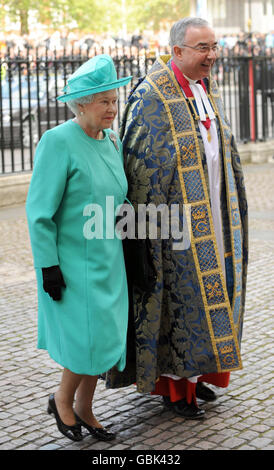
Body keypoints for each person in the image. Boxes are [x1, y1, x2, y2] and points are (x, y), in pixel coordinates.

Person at [106, 18, 248, 419]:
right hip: (173, 227)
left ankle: (199, 374)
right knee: (179, 304)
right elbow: (140, 168)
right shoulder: (151, 95)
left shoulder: (205, 86)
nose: (212, 56)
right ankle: (174, 389)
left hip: (215, 214)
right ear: (177, 52)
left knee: (215, 290)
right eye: (203, 48)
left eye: (214, 46)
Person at [26, 55, 132, 441]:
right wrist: (47, 267)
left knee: (105, 339)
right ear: (82, 102)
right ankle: (62, 400)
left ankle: (86, 407)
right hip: (71, 266)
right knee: (85, 340)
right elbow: (39, 213)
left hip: (109, 261)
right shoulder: (57, 142)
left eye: (114, 100)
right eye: (104, 101)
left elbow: (119, 200)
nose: (112, 109)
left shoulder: (111, 141)